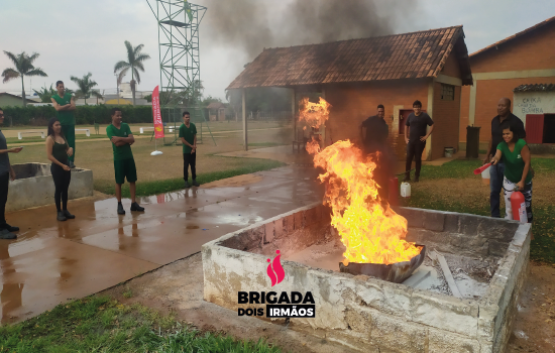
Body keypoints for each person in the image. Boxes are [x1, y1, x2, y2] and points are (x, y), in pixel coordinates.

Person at [483, 98, 526, 218]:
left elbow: (522, 142)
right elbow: (492, 138)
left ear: (509, 107)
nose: (500, 107)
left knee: (510, 192)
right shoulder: (494, 121)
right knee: (494, 191)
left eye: (503, 106)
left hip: (509, 163)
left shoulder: (516, 122)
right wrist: (487, 155)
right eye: (498, 105)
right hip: (494, 162)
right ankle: (495, 217)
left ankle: (512, 217)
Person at [490, 122, 533, 223]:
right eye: (503, 134)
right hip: (509, 179)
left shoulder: (521, 144)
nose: (505, 136)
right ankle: (509, 231)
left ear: (514, 133)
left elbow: (527, 163)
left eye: (508, 133)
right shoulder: (501, 145)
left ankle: (528, 231)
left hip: (524, 179)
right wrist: (495, 159)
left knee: (526, 208)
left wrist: (522, 181)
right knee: (509, 209)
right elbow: (497, 155)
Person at [106, 108, 145, 215]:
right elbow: (117, 144)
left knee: (132, 180)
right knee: (119, 182)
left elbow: (132, 139)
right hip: (119, 159)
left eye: (120, 115)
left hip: (129, 157)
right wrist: (126, 140)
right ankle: (119, 204)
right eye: (117, 115)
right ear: (112, 116)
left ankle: (133, 203)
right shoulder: (109, 128)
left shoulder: (125, 126)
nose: (119, 117)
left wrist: (120, 138)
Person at [360, 104, 394, 200]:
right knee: (366, 168)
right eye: (379, 111)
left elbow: (384, 139)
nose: (380, 113)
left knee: (377, 168)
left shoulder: (384, 125)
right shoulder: (371, 120)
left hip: (378, 150)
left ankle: (376, 187)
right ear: (377, 111)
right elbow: (361, 126)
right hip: (368, 148)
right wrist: (362, 140)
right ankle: (366, 188)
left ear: (384, 112)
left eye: (382, 112)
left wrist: (384, 149)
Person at [45, 118, 75, 222]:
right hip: (57, 167)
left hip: (66, 166)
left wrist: (70, 149)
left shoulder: (62, 136)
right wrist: (62, 165)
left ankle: (65, 209)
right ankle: (59, 211)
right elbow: (49, 156)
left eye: (59, 124)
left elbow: (67, 148)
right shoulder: (50, 139)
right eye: (56, 125)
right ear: (51, 127)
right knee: (59, 189)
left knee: (65, 189)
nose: (59, 127)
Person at [0, 107, 22, 239]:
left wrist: (11, 169)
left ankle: (3, 224)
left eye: (2, 115)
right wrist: (11, 151)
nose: (2, 117)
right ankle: (1, 229)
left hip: (3, 170)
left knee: (3, 200)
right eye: (0, 115)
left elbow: (4, 153)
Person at [404, 100, 434, 182]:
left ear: (420, 108)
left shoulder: (424, 116)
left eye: (418, 107)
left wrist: (426, 136)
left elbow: (432, 125)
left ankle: (416, 176)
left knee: (417, 159)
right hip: (411, 142)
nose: (417, 108)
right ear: (413, 108)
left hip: (420, 142)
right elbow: (406, 125)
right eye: (415, 107)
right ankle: (407, 175)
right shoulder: (410, 116)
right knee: (408, 158)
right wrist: (406, 138)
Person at [51, 81, 77, 168]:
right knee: (61, 142)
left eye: (63, 86)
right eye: (60, 87)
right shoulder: (54, 97)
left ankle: (71, 161)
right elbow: (57, 108)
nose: (62, 88)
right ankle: (63, 160)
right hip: (60, 124)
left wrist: (62, 107)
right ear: (56, 88)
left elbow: (73, 107)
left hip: (70, 123)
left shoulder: (69, 96)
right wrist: (67, 105)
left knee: (71, 142)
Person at [179, 111, 199, 188]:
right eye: (186, 117)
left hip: (193, 150)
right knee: (186, 166)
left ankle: (194, 180)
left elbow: (194, 137)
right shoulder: (181, 128)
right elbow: (183, 140)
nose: (188, 119)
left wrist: (194, 147)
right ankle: (186, 181)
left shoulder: (193, 126)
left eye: (189, 117)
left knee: (193, 165)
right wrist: (191, 146)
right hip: (186, 151)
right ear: (183, 118)